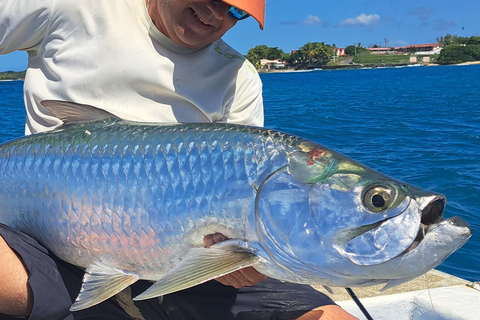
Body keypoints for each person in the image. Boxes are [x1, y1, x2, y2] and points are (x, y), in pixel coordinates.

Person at [0, 0, 358, 319]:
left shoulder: (239, 79)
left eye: (236, 11)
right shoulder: (73, 7)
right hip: (42, 238)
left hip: (187, 264)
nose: (216, 14)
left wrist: (241, 262)